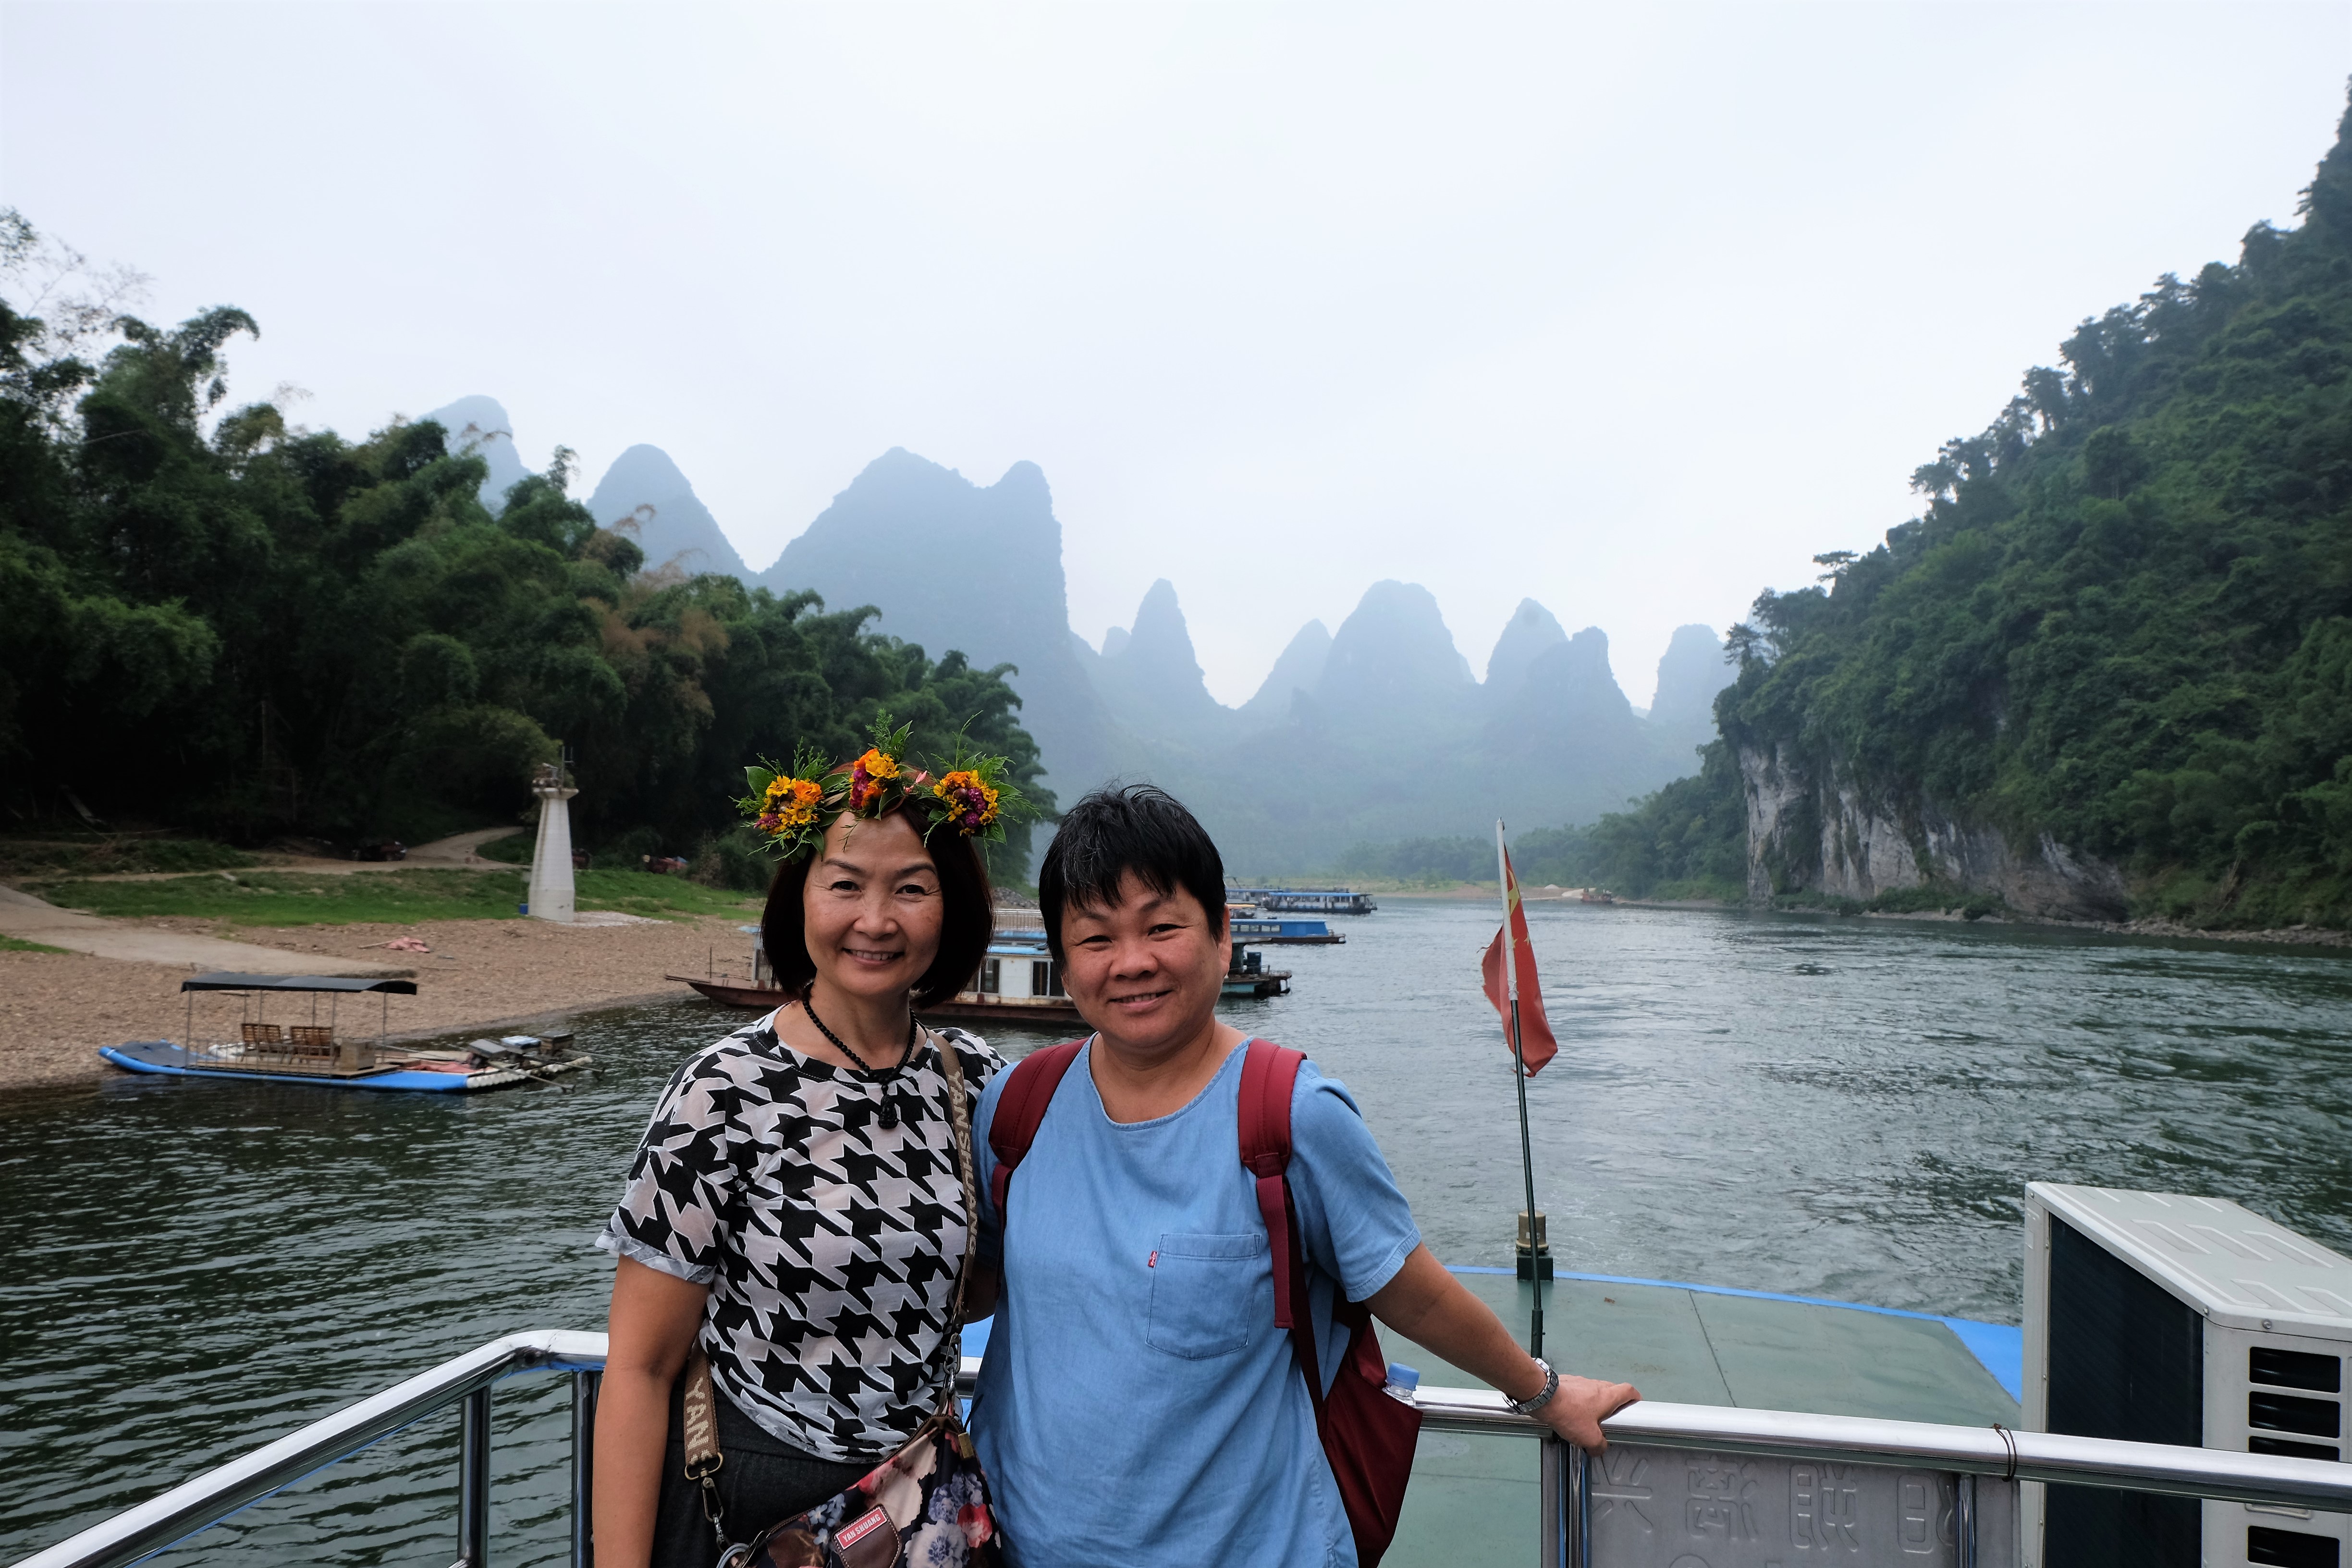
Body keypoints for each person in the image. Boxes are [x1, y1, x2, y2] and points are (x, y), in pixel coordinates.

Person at [967, 784, 1639, 1568]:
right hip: (1023, 1545)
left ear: (1222, 935)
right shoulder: (1018, 1106)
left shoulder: (1290, 1114)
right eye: (1096, 939)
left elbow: (1411, 1291)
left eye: (1162, 927)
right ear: (1062, 959)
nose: (1133, 962)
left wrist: (1544, 1392)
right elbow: (978, 1284)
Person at [592, 725, 1026, 1567]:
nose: (876, 920)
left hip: (918, 1499)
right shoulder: (725, 1091)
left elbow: (982, 1280)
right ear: (801, 897)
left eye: (911, 888)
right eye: (845, 885)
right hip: (750, 1499)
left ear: (952, 908)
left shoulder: (974, 1080)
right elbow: (641, 1368)